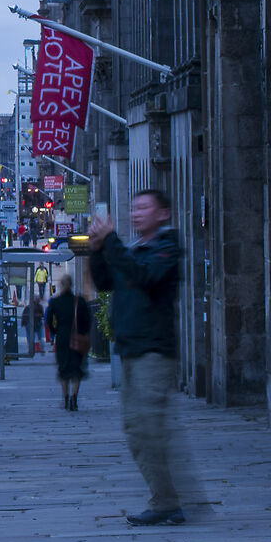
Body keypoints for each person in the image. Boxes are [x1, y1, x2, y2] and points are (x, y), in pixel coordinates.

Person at [88, 190, 190, 524]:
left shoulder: (166, 248)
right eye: (133, 208)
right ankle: (167, 498)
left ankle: (166, 502)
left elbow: (144, 276)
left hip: (153, 351)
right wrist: (97, 249)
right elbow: (104, 282)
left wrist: (112, 241)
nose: (136, 213)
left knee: (149, 426)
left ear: (163, 213)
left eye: (144, 207)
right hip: (130, 350)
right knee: (136, 429)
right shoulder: (131, 250)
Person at [46, 271, 92, 412]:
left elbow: (48, 320)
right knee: (76, 370)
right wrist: (83, 333)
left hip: (62, 339)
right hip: (77, 339)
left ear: (60, 285)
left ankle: (65, 398)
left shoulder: (55, 302)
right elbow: (87, 320)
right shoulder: (80, 301)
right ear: (72, 285)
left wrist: (55, 332)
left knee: (64, 369)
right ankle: (74, 398)